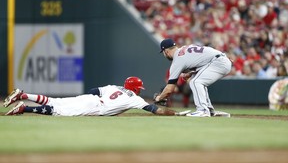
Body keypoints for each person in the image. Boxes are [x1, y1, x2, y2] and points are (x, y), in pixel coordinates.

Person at [4, 76, 190, 117]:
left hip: (90, 99)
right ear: (136, 88)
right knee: (58, 111)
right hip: (95, 107)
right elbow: (155, 110)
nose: (140, 90)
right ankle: (24, 107)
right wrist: (176, 113)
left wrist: (86, 99)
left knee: (55, 101)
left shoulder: (114, 86)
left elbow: (94, 90)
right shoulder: (135, 98)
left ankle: (24, 94)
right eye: (139, 88)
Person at [154, 39, 232, 117]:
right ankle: (209, 110)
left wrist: (159, 98)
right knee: (198, 81)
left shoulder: (177, 60)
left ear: (166, 51)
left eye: (163, 52)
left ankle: (203, 110)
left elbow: (169, 88)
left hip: (218, 62)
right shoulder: (184, 49)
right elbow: (201, 59)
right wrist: (190, 73)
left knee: (195, 82)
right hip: (221, 59)